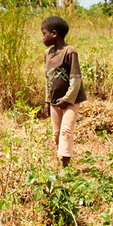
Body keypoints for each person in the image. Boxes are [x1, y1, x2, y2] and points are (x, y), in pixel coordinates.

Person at [41, 16, 85, 168]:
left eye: (44, 33)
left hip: (71, 101)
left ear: (54, 34)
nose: (42, 37)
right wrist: (47, 101)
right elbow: (48, 79)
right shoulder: (47, 54)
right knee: (56, 133)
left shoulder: (69, 51)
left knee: (66, 131)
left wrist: (67, 98)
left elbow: (76, 78)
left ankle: (65, 167)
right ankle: (60, 162)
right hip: (54, 101)